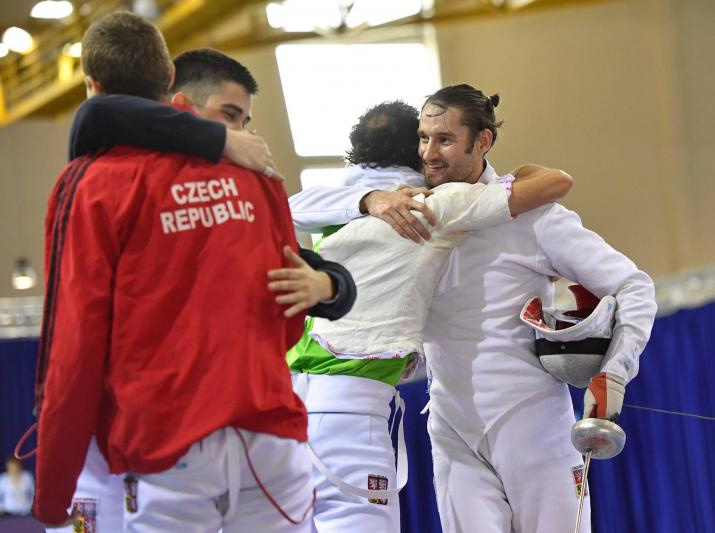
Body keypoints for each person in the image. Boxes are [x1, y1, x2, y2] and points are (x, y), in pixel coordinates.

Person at [287, 84, 657, 533]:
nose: (429, 153)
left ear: (482, 141)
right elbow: (294, 206)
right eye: (423, 139)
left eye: (444, 140)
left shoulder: (533, 215)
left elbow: (633, 286)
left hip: (532, 422)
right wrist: (369, 199)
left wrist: (615, 372)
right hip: (450, 428)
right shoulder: (407, 209)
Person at [32, 12, 319, 531]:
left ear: (91, 84)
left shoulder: (92, 182)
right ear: (168, 78)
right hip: (270, 433)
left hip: (167, 441)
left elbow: (74, 345)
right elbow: (288, 317)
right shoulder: (255, 170)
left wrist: (53, 493)